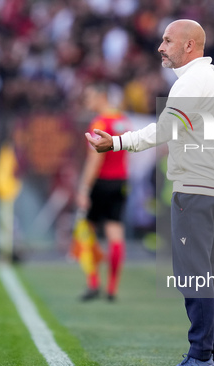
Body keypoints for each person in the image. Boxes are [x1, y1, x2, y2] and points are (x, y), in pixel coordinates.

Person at [86, 19, 214, 366]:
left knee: (194, 274)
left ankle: (202, 357)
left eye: (168, 40)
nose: (161, 46)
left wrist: (117, 142)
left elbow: (165, 130)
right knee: (212, 273)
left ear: (190, 46)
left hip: (197, 190)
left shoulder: (192, 82)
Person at [77, 83, 130, 302]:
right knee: (115, 231)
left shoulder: (99, 123)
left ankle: (93, 282)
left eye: (90, 96)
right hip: (120, 181)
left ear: (102, 96)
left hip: (100, 182)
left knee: (87, 230)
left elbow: (94, 159)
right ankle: (112, 289)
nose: (87, 101)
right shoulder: (123, 121)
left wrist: (84, 188)